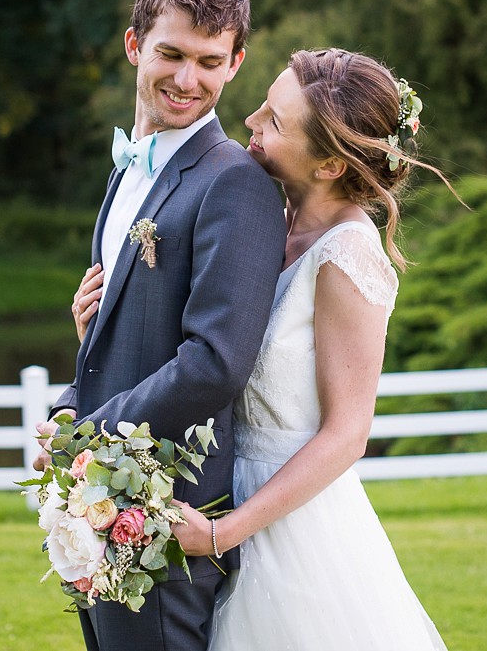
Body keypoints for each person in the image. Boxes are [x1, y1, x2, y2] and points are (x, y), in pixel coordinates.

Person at [34, 0, 287, 651]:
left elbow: (215, 361)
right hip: (100, 499)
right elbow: (126, 337)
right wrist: (66, 406)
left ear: (236, 62)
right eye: (171, 53)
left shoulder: (234, 182)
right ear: (133, 45)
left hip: (167, 516)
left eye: (209, 61)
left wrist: (86, 435)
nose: (187, 79)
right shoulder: (127, 176)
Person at [156, 48, 449, 649]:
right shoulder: (267, 221)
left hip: (292, 526)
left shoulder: (347, 256)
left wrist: (225, 533)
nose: (250, 123)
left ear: (330, 166)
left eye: (274, 122)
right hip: (220, 483)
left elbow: (348, 434)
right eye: (263, 104)